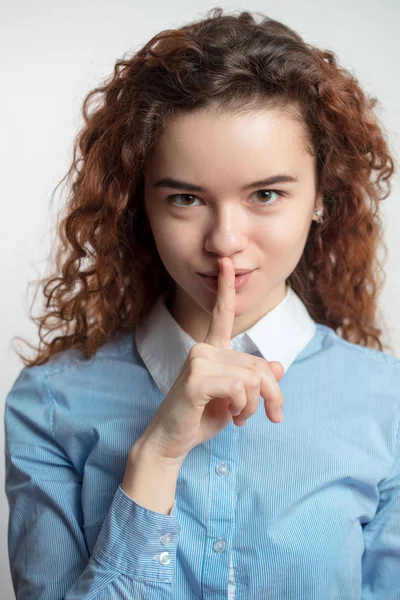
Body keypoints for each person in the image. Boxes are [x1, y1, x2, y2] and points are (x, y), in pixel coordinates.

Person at [4, 6, 399, 599]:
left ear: (322, 195)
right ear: (140, 202)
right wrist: (156, 456)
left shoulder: (386, 403)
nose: (224, 242)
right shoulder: (51, 404)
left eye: (266, 194)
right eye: (186, 199)